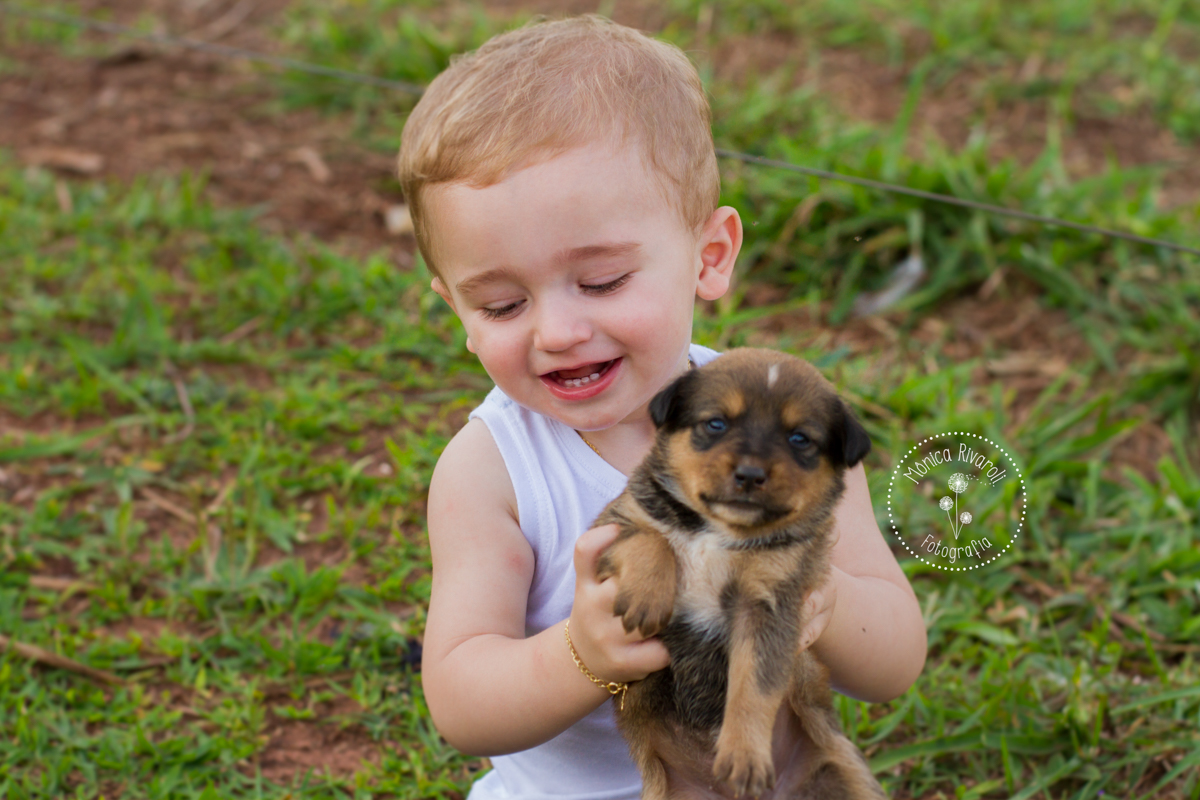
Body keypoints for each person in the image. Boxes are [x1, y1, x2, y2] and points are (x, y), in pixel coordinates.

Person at [397, 15, 927, 800]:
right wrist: (580, 654)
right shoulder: (490, 471)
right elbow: (461, 705)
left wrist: (821, 602)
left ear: (708, 257)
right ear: (455, 310)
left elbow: (895, 660)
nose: (559, 332)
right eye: (503, 305)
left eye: (603, 282)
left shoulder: (785, 433)